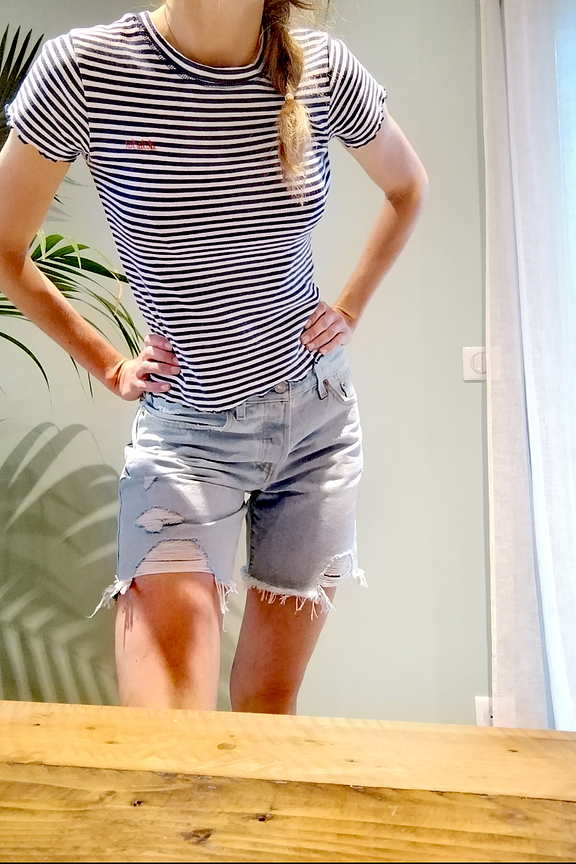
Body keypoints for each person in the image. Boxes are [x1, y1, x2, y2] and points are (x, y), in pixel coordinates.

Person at [0, 0, 427, 714]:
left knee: (266, 710)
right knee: (167, 734)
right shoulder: (85, 69)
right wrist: (108, 362)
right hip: (187, 438)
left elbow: (408, 186)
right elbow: (6, 247)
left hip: (317, 430)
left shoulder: (322, 71)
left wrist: (350, 306)